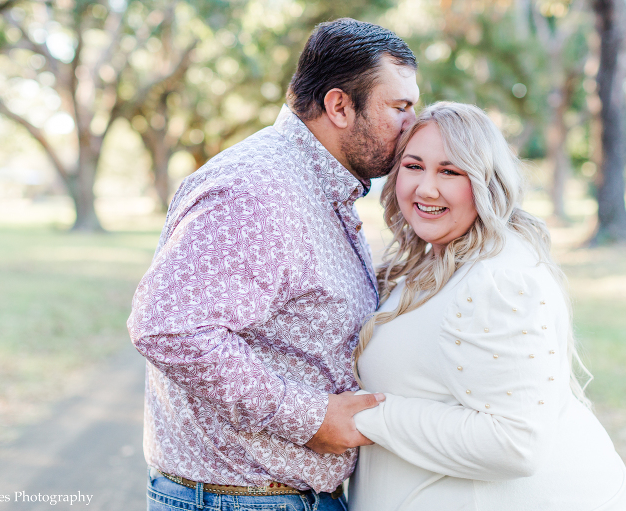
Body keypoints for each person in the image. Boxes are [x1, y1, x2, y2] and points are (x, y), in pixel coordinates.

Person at [127, 18, 420, 511]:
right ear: (339, 106)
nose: (412, 125)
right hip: (242, 500)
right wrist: (310, 418)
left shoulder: (314, 185)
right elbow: (168, 326)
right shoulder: (259, 191)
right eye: (399, 108)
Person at [348, 102, 626, 511]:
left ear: (486, 180)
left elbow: (515, 444)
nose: (426, 188)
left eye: (450, 171)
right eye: (413, 166)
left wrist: (362, 417)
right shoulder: (440, 258)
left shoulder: (496, 279)